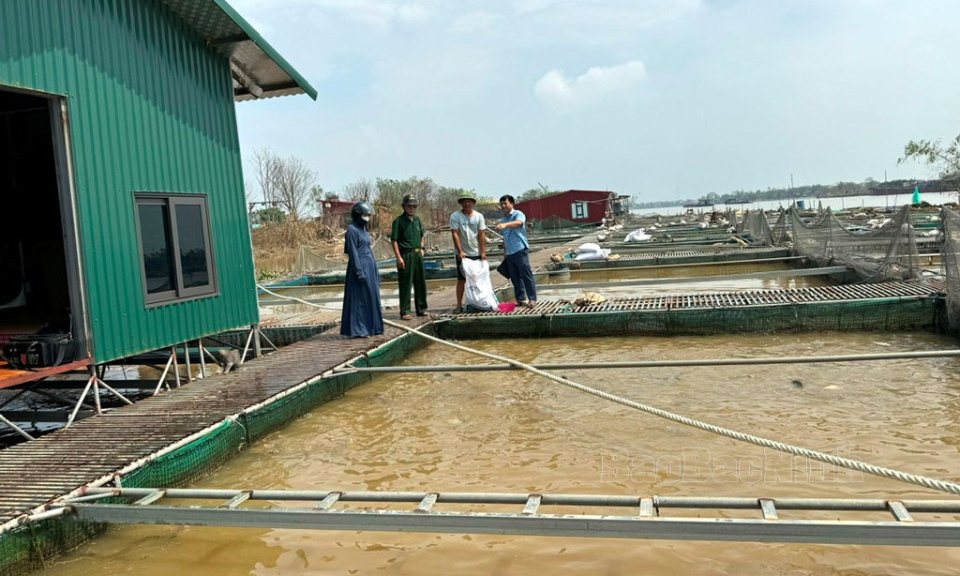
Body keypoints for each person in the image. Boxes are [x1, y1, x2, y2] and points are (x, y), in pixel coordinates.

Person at [340, 202, 384, 337]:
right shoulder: (352, 231)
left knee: (372, 297)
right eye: (365, 215)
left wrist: (375, 271)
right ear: (358, 215)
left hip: (369, 265)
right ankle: (359, 329)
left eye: (368, 215)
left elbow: (369, 250)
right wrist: (359, 272)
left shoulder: (364, 229)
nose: (367, 218)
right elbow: (353, 254)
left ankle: (373, 327)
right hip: (359, 267)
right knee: (359, 300)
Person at [391, 194, 429, 320]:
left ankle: (421, 309)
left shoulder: (417, 220)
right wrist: (398, 257)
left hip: (417, 254)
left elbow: (422, 235)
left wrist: (422, 248)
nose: (411, 208)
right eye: (409, 206)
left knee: (420, 283)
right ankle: (405, 311)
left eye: (414, 206)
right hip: (405, 254)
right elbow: (394, 240)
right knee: (406, 284)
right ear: (404, 206)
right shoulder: (398, 221)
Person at [495, 195, 537, 308]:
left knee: (526, 274)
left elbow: (519, 223)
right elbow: (505, 238)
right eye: (502, 204)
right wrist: (505, 253)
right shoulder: (503, 219)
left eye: (505, 203)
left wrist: (505, 225)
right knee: (514, 277)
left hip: (519, 249)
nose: (503, 206)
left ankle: (532, 299)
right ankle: (520, 299)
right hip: (509, 252)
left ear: (511, 204)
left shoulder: (518, 214)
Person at [449, 190, 487, 313]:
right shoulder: (456, 216)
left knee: (477, 279)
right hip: (463, 254)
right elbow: (455, 234)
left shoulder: (479, 216)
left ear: (473, 203)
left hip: (476, 252)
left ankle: (479, 302)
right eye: (464, 201)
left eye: (469, 201)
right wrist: (460, 251)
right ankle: (459, 304)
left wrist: (483, 252)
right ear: (461, 203)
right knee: (462, 279)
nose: (466, 204)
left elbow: (481, 234)